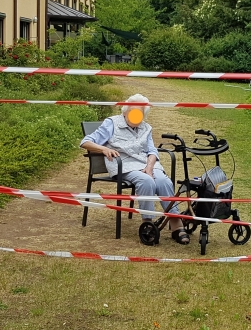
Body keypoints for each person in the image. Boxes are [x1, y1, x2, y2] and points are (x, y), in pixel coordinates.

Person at [80, 94, 189, 244]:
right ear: (125, 111)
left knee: (163, 181)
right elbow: (86, 142)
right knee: (146, 182)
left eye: (140, 113)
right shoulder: (111, 123)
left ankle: (176, 222)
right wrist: (103, 149)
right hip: (123, 165)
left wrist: (150, 167)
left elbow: (152, 151)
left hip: (146, 164)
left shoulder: (146, 128)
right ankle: (147, 223)